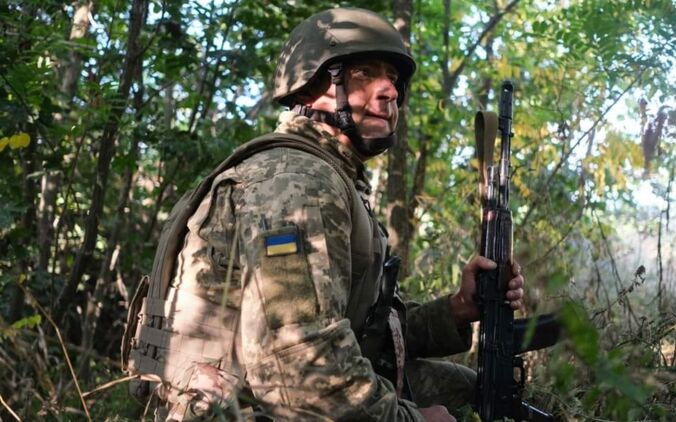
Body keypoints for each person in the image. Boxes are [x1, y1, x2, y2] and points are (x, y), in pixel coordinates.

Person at [124, 7, 524, 421]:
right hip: (237, 409)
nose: (389, 90)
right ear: (307, 87)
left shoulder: (329, 177)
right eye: (364, 73)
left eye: (393, 79)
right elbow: (301, 374)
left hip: (258, 395)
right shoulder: (297, 182)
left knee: (471, 390)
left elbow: (364, 332)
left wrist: (457, 308)